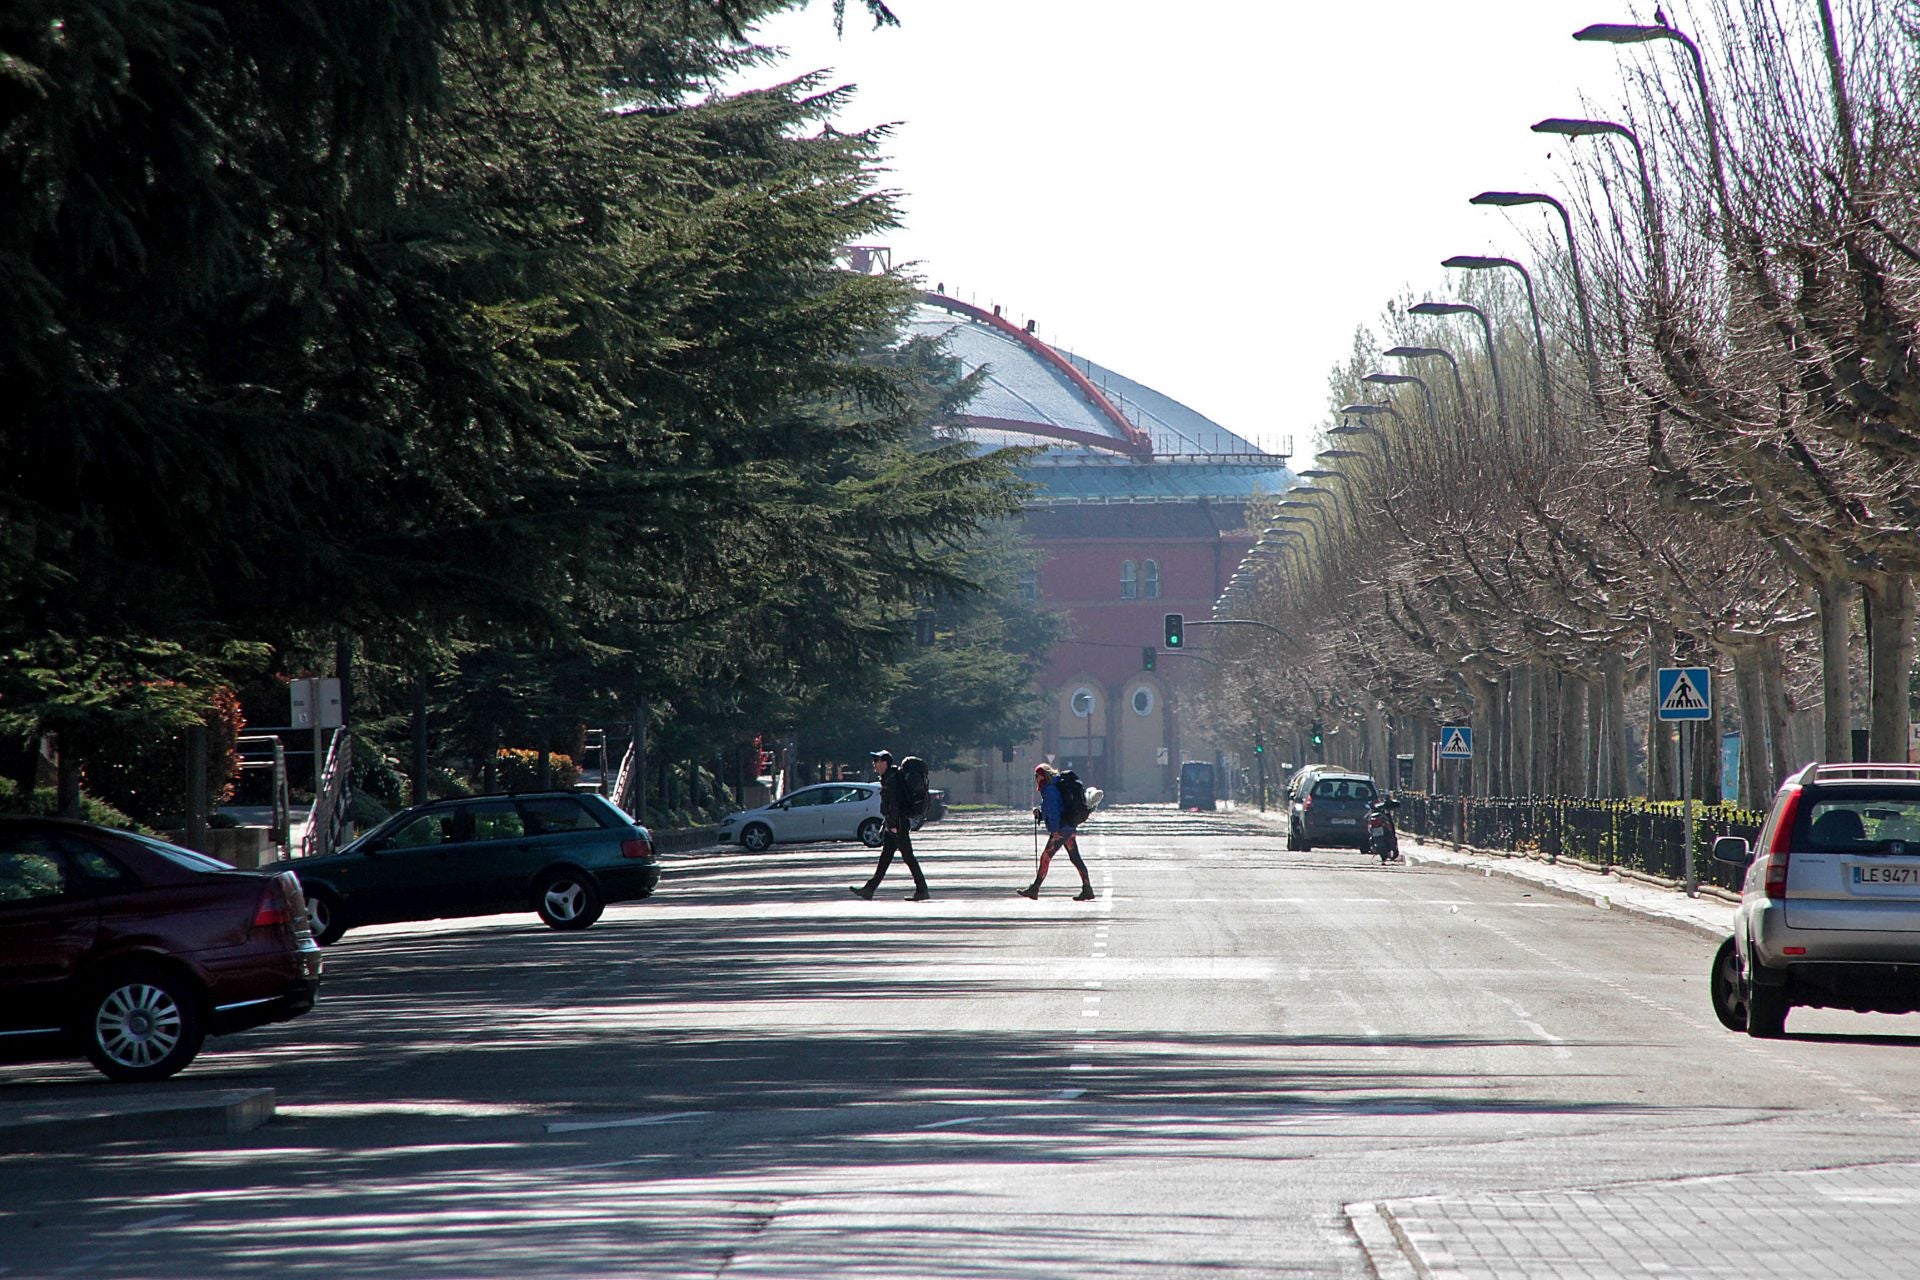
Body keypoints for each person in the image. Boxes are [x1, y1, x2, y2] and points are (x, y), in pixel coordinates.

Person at [850, 749, 931, 902]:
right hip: (893, 823)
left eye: (876, 761)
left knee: (908, 857)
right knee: (885, 858)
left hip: (898, 824)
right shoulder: (889, 777)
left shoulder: (892, 779)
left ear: (884, 763)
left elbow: (894, 803)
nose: (874, 764)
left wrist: (893, 824)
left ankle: (922, 889)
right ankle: (869, 889)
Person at [1020, 763, 1095, 901]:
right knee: (1075, 858)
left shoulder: (1049, 790)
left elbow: (1054, 811)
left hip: (1061, 829)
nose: (1035, 779)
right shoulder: (1052, 788)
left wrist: (1054, 830)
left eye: (1036, 776)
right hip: (1068, 827)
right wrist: (1041, 814)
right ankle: (1087, 889)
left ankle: (1035, 888)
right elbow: (1054, 809)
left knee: (1046, 857)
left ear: (1042, 776)